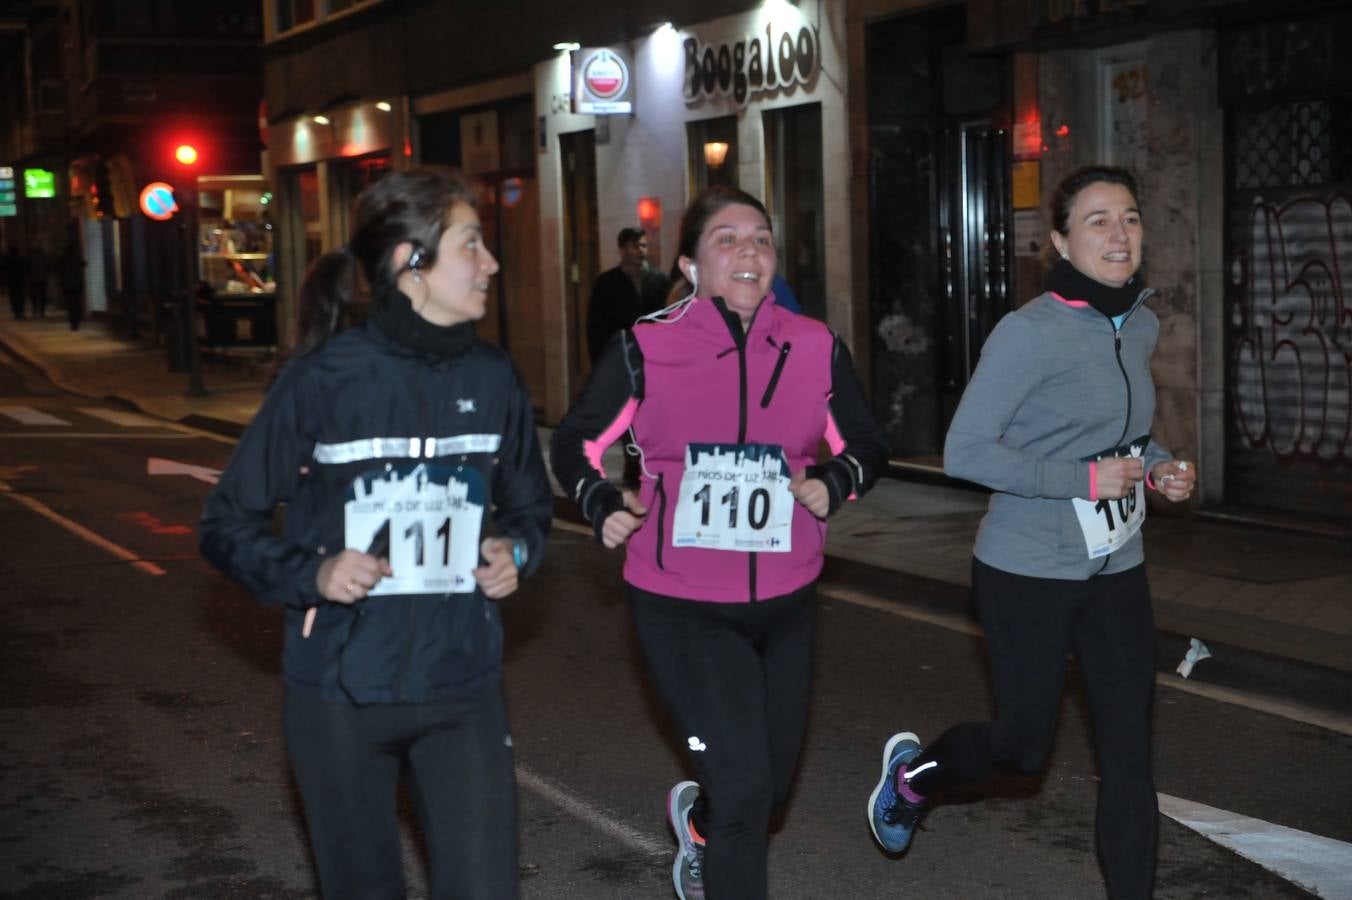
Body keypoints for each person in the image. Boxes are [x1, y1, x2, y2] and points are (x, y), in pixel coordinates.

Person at [199, 168, 552, 900]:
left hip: (463, 691)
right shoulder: (324, 379)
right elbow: (226, 523)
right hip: (339, 695)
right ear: (409, 262)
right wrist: (314, 574)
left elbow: (529, 509)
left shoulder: (494, 378)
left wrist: (515, 551)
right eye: (471, 244)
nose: (490, 262)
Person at [867, 165, 1196, 900]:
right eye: (1099, 221)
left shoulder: (1139, 323)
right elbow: (967, 451)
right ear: (1060, 241)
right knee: (1021, 749)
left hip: (1116, 567)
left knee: (1130, 758)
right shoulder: (1028, 333)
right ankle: (914, 778)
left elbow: (1127, 438)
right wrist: (1078, 481)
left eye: (1131, 217)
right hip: (1026, 572)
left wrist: (1160, 468)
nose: (1120, 234)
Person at [552, 186, 889, 900]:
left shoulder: (814, 346)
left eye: (761, 239)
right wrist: (601, 500)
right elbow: (575, 442)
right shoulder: (646, 349)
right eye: (727, 240)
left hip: (789, 601)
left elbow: (866, 444)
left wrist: (836, 482)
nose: (749, 252)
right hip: (681, 607)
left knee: (766, 791)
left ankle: (699, 823)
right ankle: (718, 831)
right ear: (690, 265)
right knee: (745, 792)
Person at [586, 226, 668, 364]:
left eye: (644, 246)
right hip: (619, 357)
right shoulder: (606, 283)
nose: (641, 250)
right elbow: (596, 327)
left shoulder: (660, 280)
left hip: (653, 356)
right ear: (623, 250)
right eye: (635, 246)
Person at [59, 242, 85, 330]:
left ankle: (73, 322)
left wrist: (62, 284)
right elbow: (84, 264)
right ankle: (77, 320)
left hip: (68, 286)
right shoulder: (77, 259)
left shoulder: (64, 260)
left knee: (70, 304)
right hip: (77, 285)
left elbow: (60, 272)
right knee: (77, 303)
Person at [2, 245, 28, 320]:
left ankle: (16, 312)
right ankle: (20, 312)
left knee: (14, 297)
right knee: (20, 297)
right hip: (20, 281)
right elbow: (26, 268)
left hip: (11, 281)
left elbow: (3, 269)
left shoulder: (7, 259)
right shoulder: (21, 259)